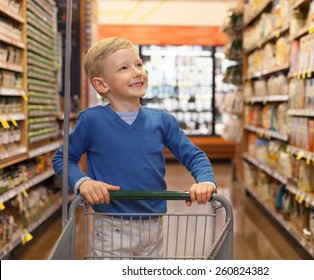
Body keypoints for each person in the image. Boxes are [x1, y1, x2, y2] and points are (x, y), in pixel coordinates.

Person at [52, 37, 216, 258]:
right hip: (111, 227)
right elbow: (63, 158)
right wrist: (84, 182)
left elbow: (194, 156)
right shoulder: (91, 121)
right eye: (124, 68)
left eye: (139, 64)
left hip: (153, 226)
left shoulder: (162, 121)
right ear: (101, 85)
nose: (137, 72)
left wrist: (205, 180)